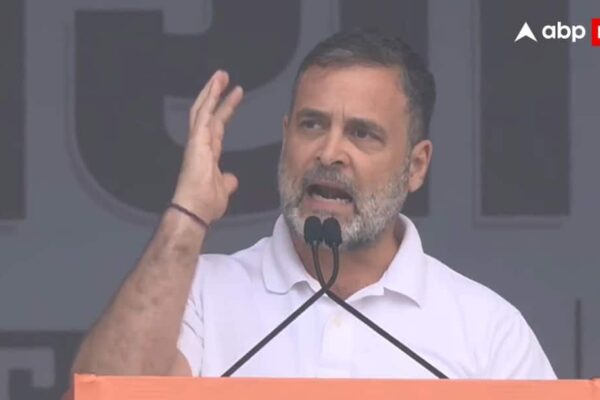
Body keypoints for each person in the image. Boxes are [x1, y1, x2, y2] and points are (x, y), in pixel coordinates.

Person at [71, 29, 556, 379]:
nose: (328, 152)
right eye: (312, 125)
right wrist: (188, 214)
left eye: (361, 133)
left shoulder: (489, 332)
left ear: (416, 165)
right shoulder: (199, 294)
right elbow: (103, 394)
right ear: (285, 139)